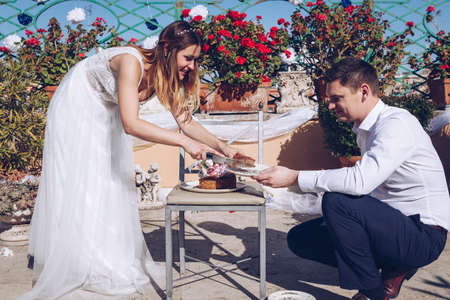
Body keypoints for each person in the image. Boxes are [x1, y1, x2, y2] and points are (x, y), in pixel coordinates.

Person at [21, 20, 249, 299]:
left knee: (111, 181)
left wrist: (223, 147)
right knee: (86, 178)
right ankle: (74, 258)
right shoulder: (131, 62)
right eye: (187, 57)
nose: (191, 65)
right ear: (167, 49)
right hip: (78, 103)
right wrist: (184, 142)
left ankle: (99, 254)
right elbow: (131, 123)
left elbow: (185, 122)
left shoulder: (166, 77)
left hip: (104, 107)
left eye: (195, 59)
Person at [254, 58, 449, 300]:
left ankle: (374, 292)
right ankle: (393, 267)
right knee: (302, 239)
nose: (331, 106)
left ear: (363, 91)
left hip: (423, 235)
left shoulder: (396, 123)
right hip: (397, 225)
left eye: (337, 98)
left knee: (337, 202)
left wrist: (294, 177)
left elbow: (360, 182)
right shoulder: (367, 129)